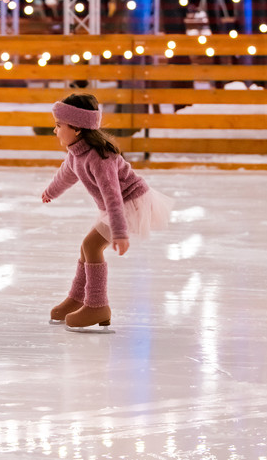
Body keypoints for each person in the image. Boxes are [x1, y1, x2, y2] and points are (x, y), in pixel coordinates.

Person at [41, 93, 173, 332]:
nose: (55, 130)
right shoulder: (76, 153)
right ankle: (78, 298)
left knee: (92, 247)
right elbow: (66, 175)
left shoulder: (100, 158)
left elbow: (113, 196)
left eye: (59, 125)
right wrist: (51, 191)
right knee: (87, 246)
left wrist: (120, 233)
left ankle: (97, 305)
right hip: (116, 207)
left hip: (129, 204)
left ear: (78, 128)